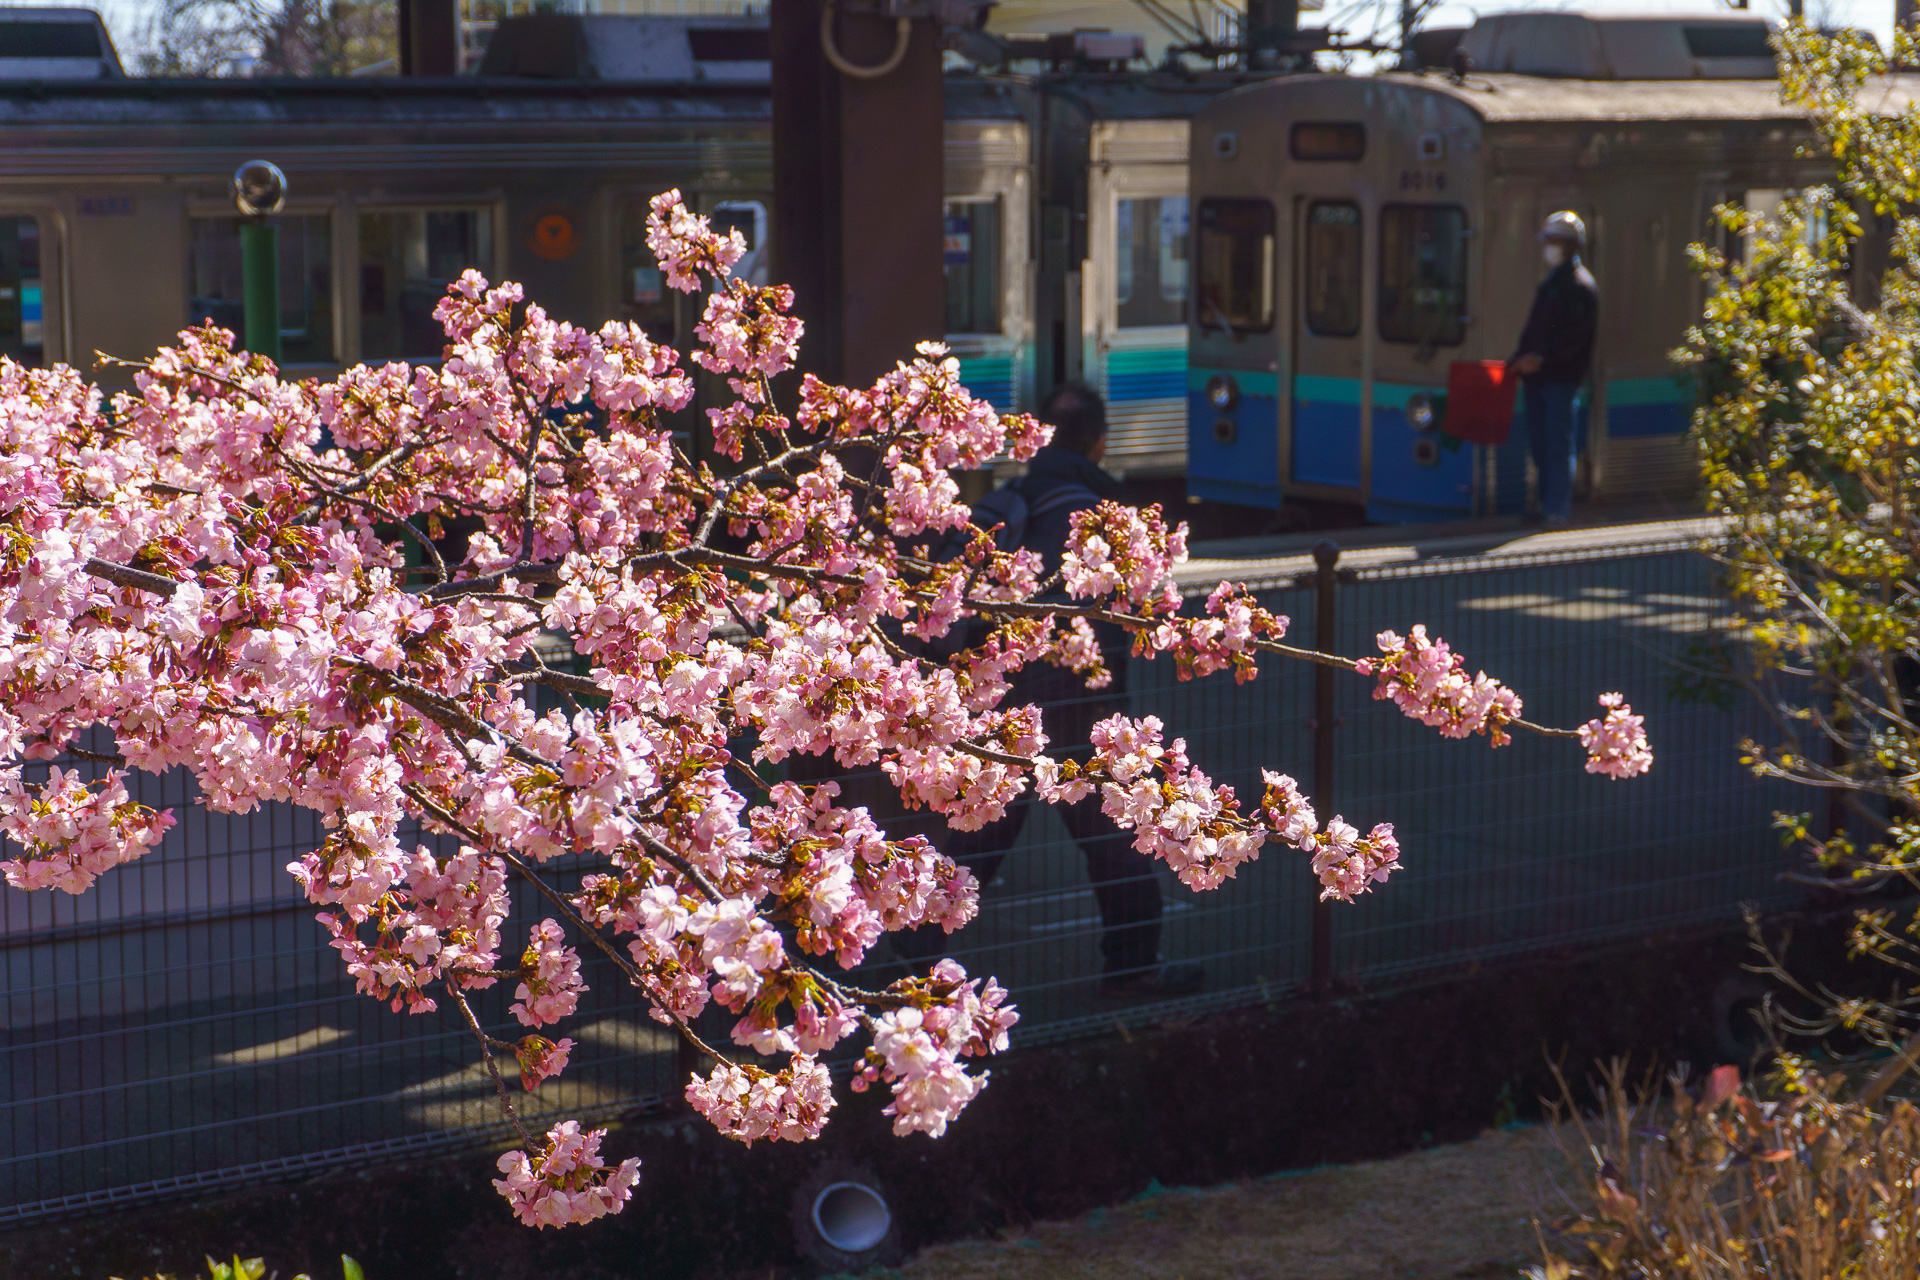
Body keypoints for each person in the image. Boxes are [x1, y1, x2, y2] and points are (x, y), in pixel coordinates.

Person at [894, 382, 1206, 998]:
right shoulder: (1105, 518)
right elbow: (1130, 623)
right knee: (1116, 837)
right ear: (1099, 441)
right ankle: (1133, 968)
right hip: (1079, 707)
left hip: (1002, 697)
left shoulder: (1006, 503)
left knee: (979, 831)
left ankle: (910, 956)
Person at [1508, 210, 1598, 529]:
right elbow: (1535, 329)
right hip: (1539, 378)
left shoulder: (1581, 286)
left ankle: (1557, 510)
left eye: (1554, 240)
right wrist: (1517, 359)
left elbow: (1573, 338)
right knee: (1541, 443)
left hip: (1561, 379)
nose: (1549, 247)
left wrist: (1542, 359)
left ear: (1571, 245)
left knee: (1559, 443)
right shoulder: (1551, 284)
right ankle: (1546, 501)